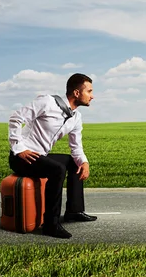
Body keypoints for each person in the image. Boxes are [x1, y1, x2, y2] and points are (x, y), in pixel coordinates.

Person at [8, 73, 97, 239]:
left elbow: (76, 147)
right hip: (22, 158)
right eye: (89, 91)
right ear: (77, 93)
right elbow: (16, 118)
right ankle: (50, 224)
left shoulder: (76, 117)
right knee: (57, 169)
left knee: (73, 163)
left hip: (40, 157)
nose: (92, 96)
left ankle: (74, 210)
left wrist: (84, 162)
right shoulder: (47, 102)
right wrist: (18, 148)